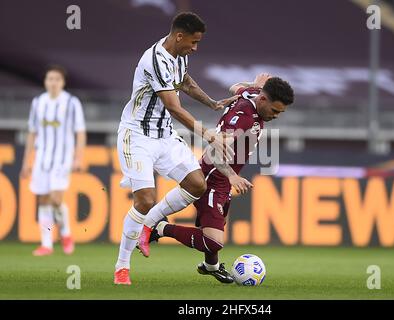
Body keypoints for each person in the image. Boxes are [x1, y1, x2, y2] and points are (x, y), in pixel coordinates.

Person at [114, 12, 236, 285]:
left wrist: (214, 103)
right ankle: (122, 266)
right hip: (138, 136)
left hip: (165, 136)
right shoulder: (155, 59)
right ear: (179, 36)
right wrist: (207, 134)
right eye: (193, 42)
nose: (195, 48)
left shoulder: (179, 55)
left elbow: (186, 82)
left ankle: (149, 227)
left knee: (197, 184)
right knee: (144, 200)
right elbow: (173, 106)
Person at [138, 74, 294, 283]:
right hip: (213, 179)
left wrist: (253, 85)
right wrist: (232, 176)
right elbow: (215, 151)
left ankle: (211, 266)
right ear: (264, 100)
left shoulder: (253, 95)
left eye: (280, 112)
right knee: (213, 242)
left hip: (221, 181)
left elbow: (234, 86)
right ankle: (160, 228)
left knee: (216, 227)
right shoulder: (243, 118)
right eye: (275, 111)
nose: (276, 116)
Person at [20, 65, 86, 256]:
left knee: (56, 199)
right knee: (43, 199)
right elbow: (32, 133)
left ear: (63, 82)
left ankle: (65, 233)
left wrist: (78, 157)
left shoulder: (72, 103)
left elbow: (80, 132)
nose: (53, 82)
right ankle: (46, 243)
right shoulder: (38, 102)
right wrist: (27, 161)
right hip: (42, 158)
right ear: (45, 81)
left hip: (62, 159)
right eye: (50, 79)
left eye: (57, 79)